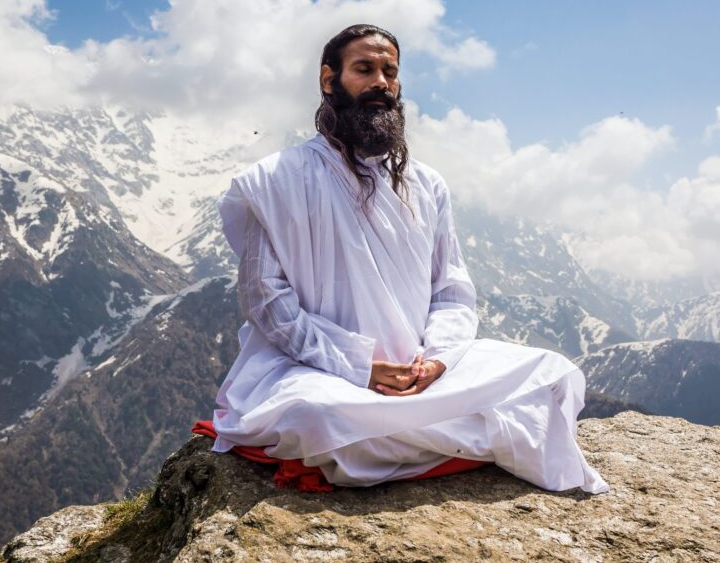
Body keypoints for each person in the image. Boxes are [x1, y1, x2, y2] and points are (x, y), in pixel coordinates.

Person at [211, 24, 608, 493]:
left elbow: (452, 292)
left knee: (550, 375)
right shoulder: (275, 181)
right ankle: (454, 434)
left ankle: (402, 431)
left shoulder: (426, 184)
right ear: (328, 79)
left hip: (422, 375)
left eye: (390, 72)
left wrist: (436, 363)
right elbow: (266, 305)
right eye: (365, 69)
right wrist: (359, 368)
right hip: (318, 372)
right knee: (313, 415)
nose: (381, 82)